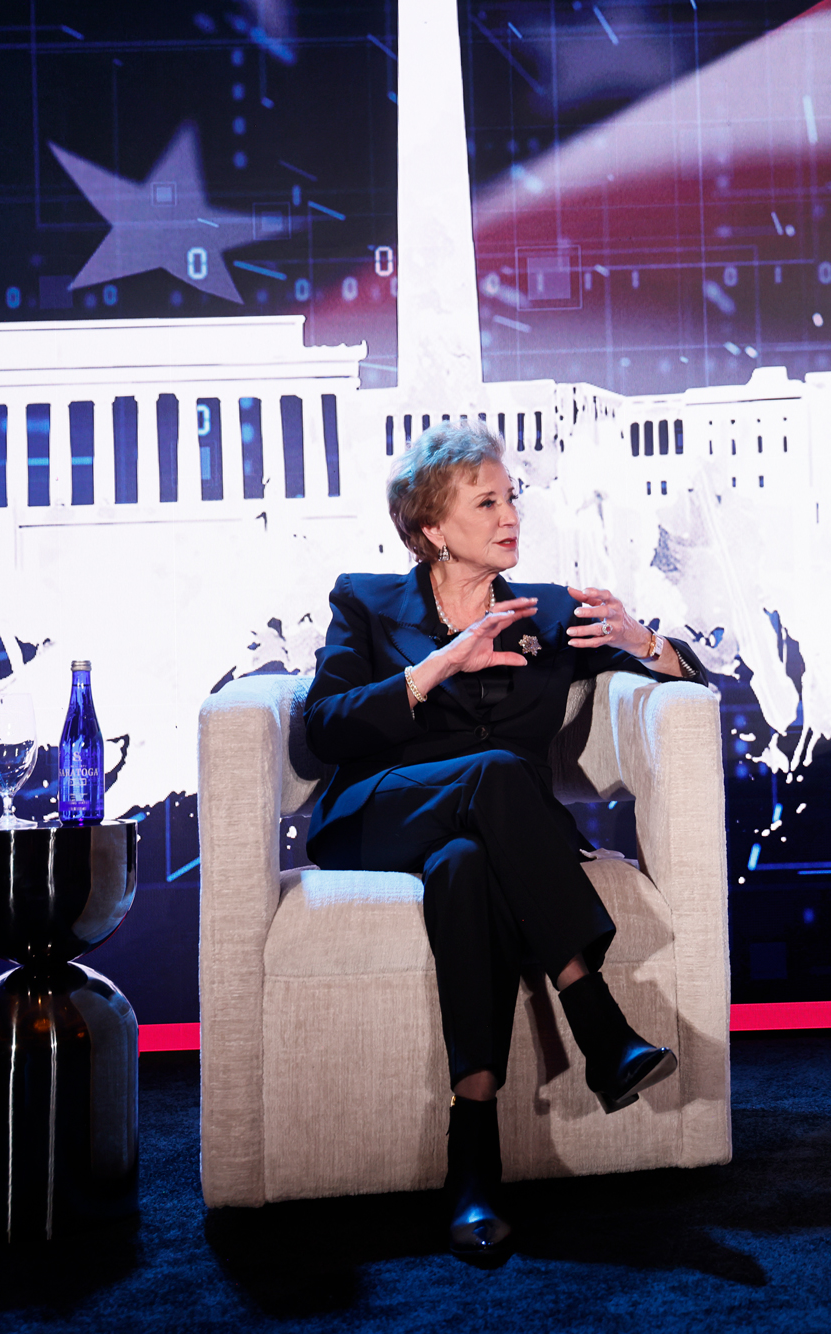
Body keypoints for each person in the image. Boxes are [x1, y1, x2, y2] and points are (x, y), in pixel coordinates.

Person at [303, 421, 708, 1255]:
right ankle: (597, 1021)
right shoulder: (367, 601)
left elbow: (689, 680)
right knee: (491, 773)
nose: (508, 513)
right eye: (485, 501)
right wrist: (436, 667)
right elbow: (323, 729)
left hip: (484, 837)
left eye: (510, 496)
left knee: (466, 868)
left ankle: (474, 1157)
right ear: (430, 529)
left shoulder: (548, 613)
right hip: (381, 813)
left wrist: (643, 643)